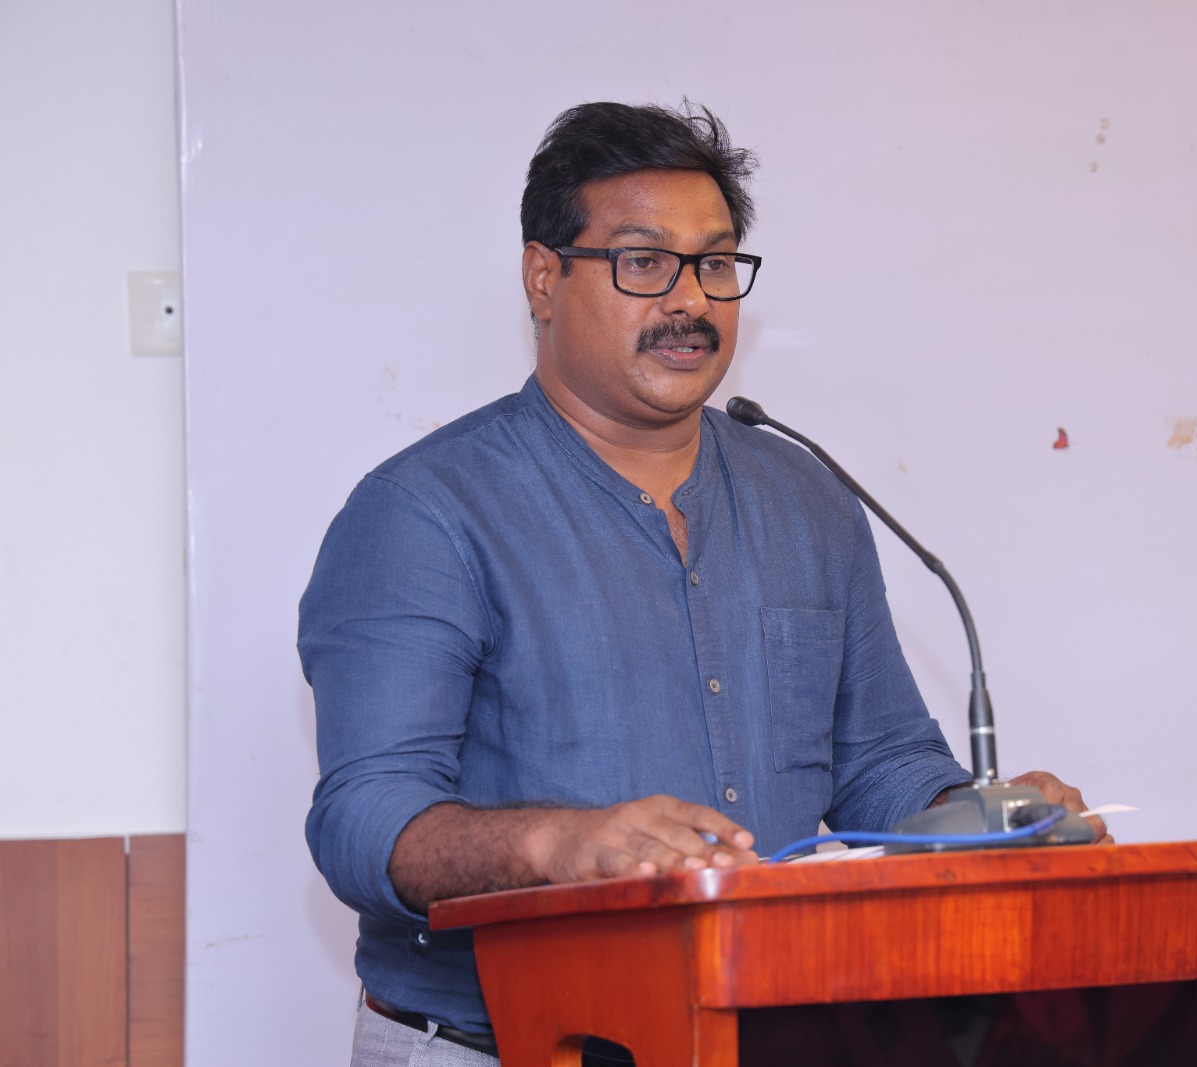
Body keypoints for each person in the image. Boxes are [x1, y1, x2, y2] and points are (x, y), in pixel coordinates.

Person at [300, 100, 1107, 1066]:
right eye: (644, 262)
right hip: (502, 1043)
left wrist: (987, 822)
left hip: (757, 1031)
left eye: (715, 264)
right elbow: (365, 821)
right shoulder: (425, 512)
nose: (690, 301)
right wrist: (558, 845)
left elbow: (879, 763)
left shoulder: (807, 497)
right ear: (544, 277)